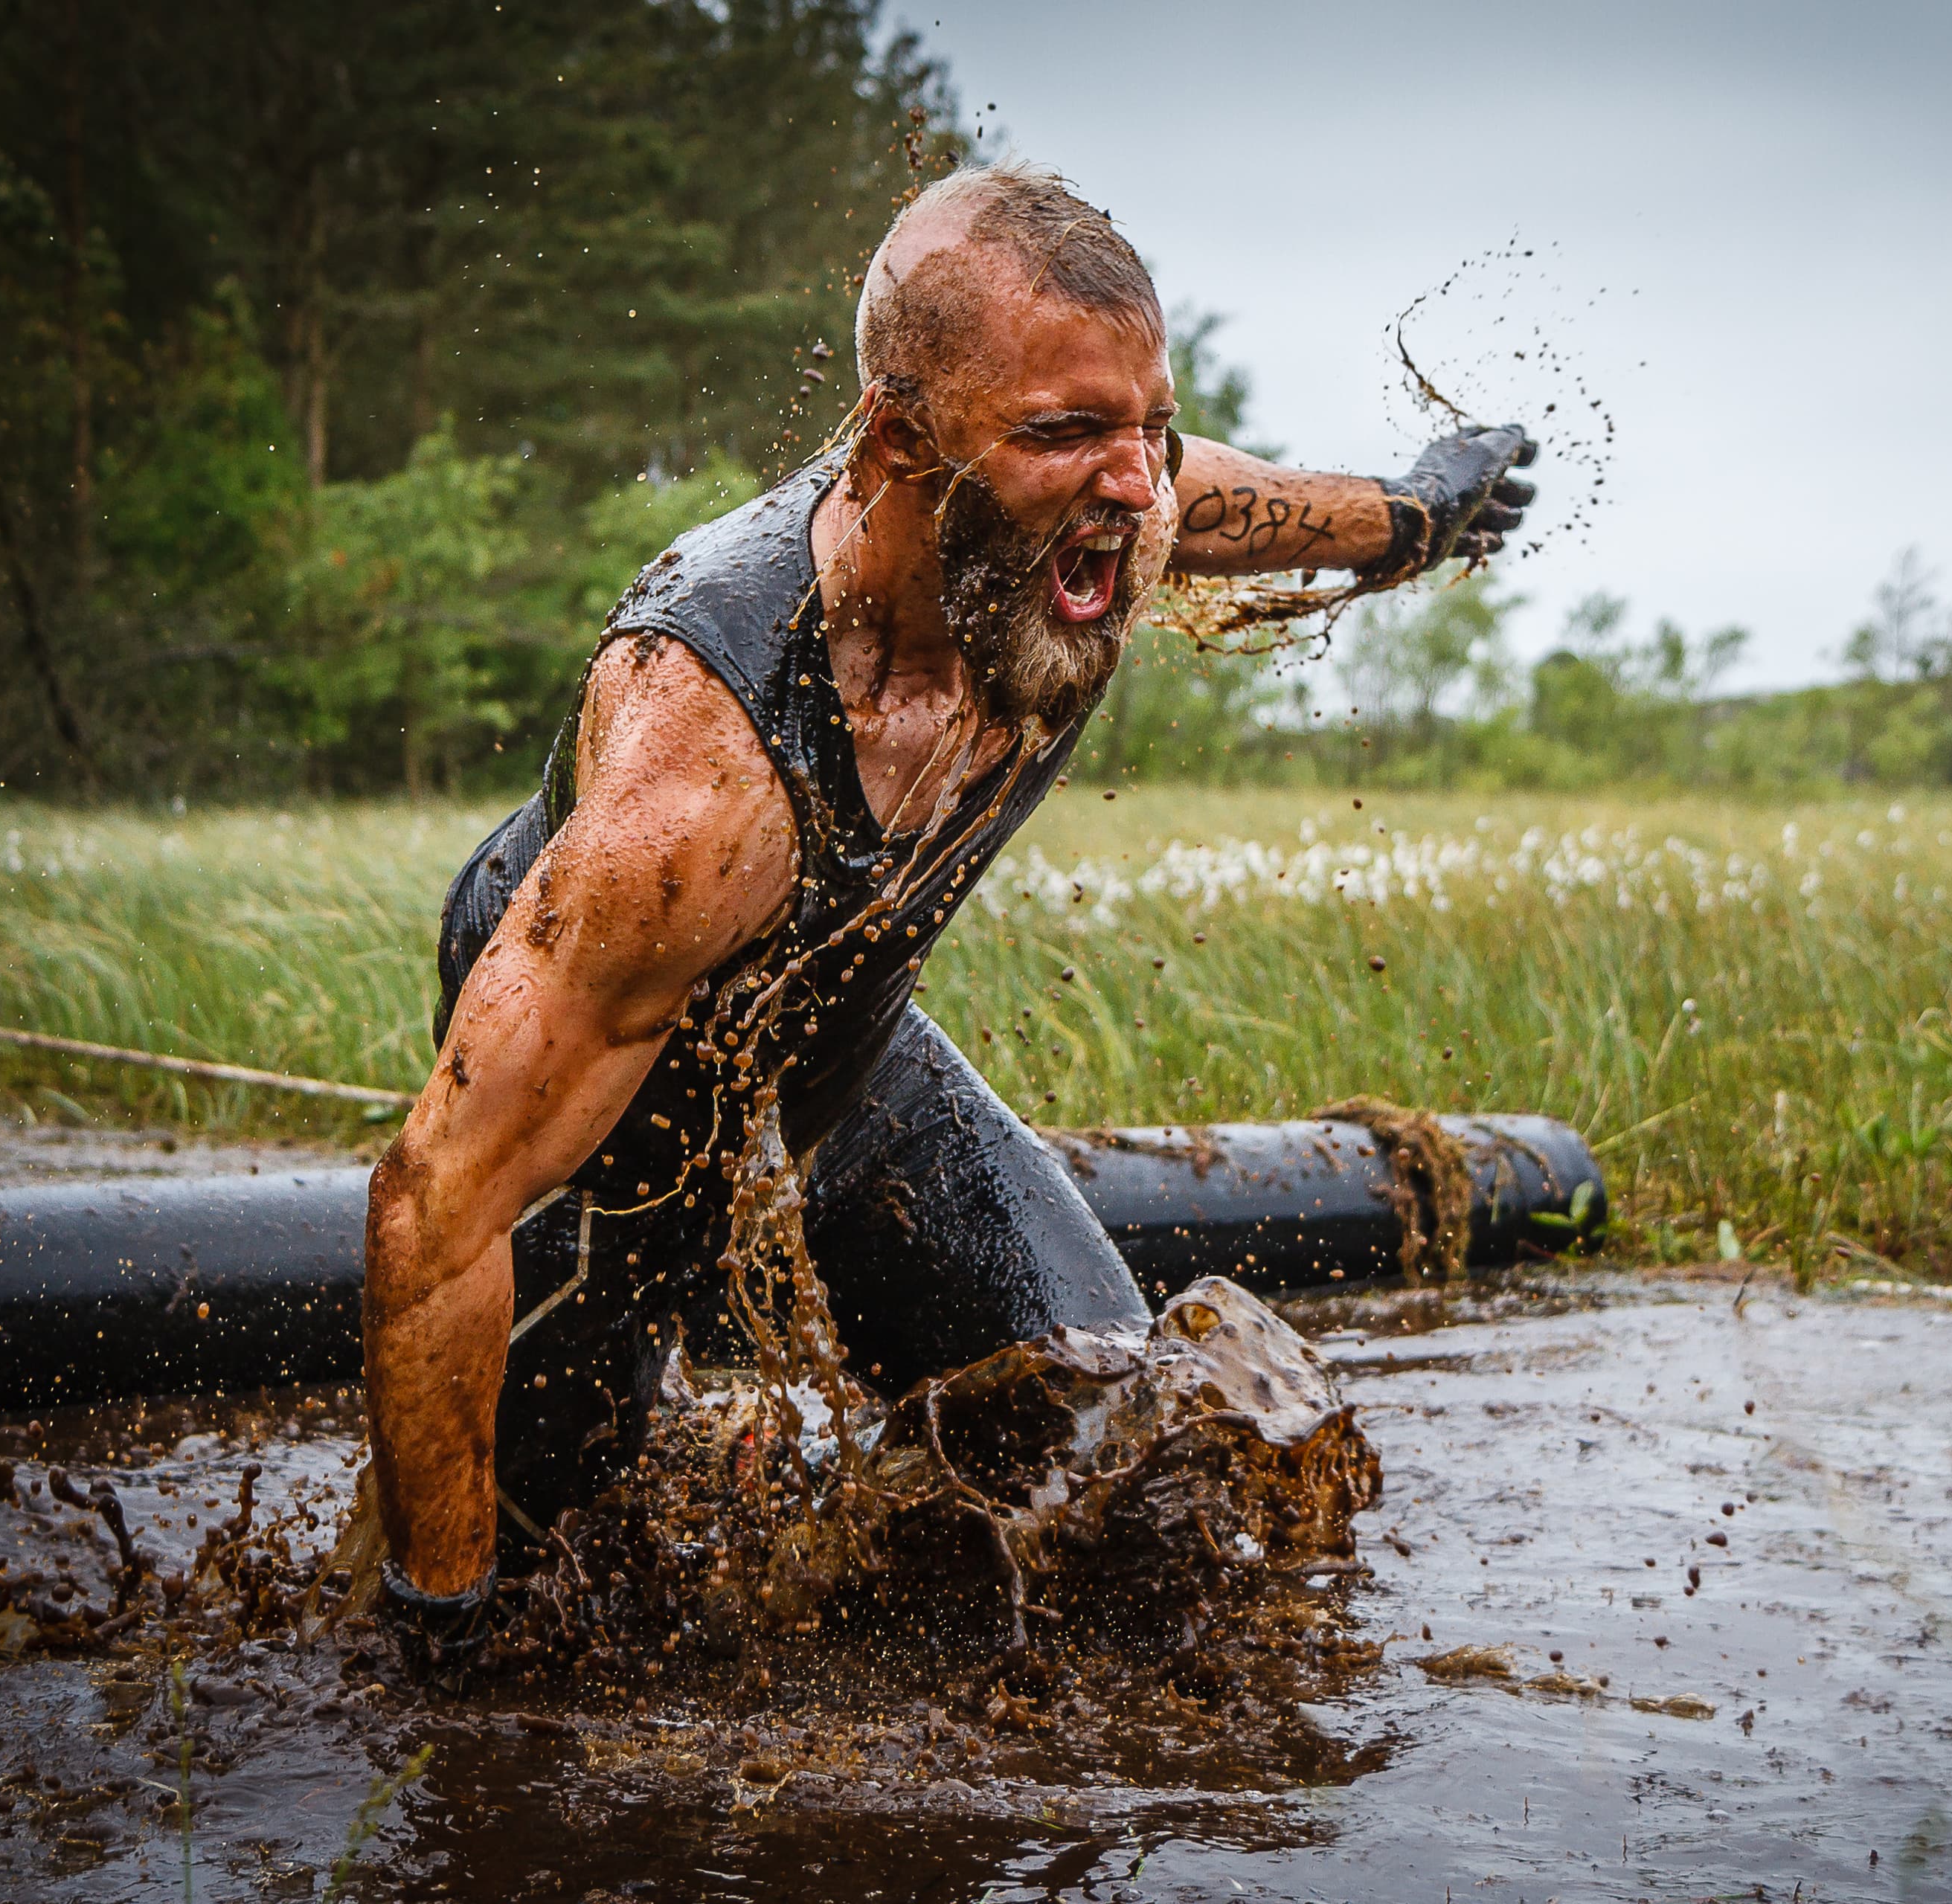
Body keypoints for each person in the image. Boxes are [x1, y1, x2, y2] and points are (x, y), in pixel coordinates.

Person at [360, 161, 1535, 1670]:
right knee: (537, 1611)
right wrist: (432, 1627)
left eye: (1146, 428)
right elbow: (433, 1208)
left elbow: (1217, 494)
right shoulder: (702, 780)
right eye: (1063, 433)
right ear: (901, 443)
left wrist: (1414, 518)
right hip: (615, 1140)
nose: (1132, 484)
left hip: (848, 1066)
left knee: (1120, 1469)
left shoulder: (1104, 513)